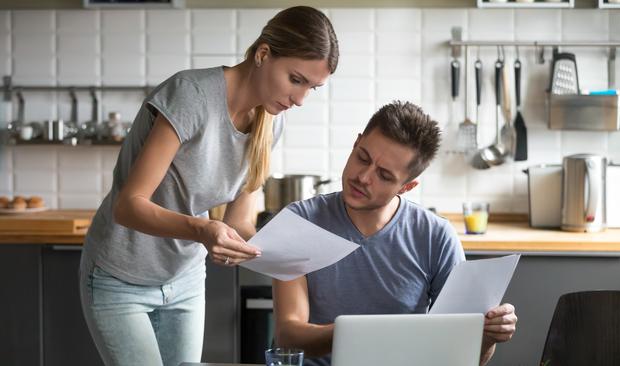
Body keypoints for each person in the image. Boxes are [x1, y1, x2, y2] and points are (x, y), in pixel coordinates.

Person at [79, 6, 338, 366]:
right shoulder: (190, 96)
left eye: (313, 88)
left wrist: (293, 254)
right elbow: (128, 205)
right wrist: (203, 229)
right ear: (263, 54)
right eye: (296, 79)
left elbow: (239, 222)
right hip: (122, 277)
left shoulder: (270, 124)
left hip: (184, 278)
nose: (300, 99)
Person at [273, 101, 517, 366]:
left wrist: (487, 336)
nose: (363, 177)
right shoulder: (301, 221)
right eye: (362, 158)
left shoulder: (437, 236)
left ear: (406, 187)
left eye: (385, 175)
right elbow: (289, 336)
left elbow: (465, 357)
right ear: (356, 144)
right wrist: (368, 333)